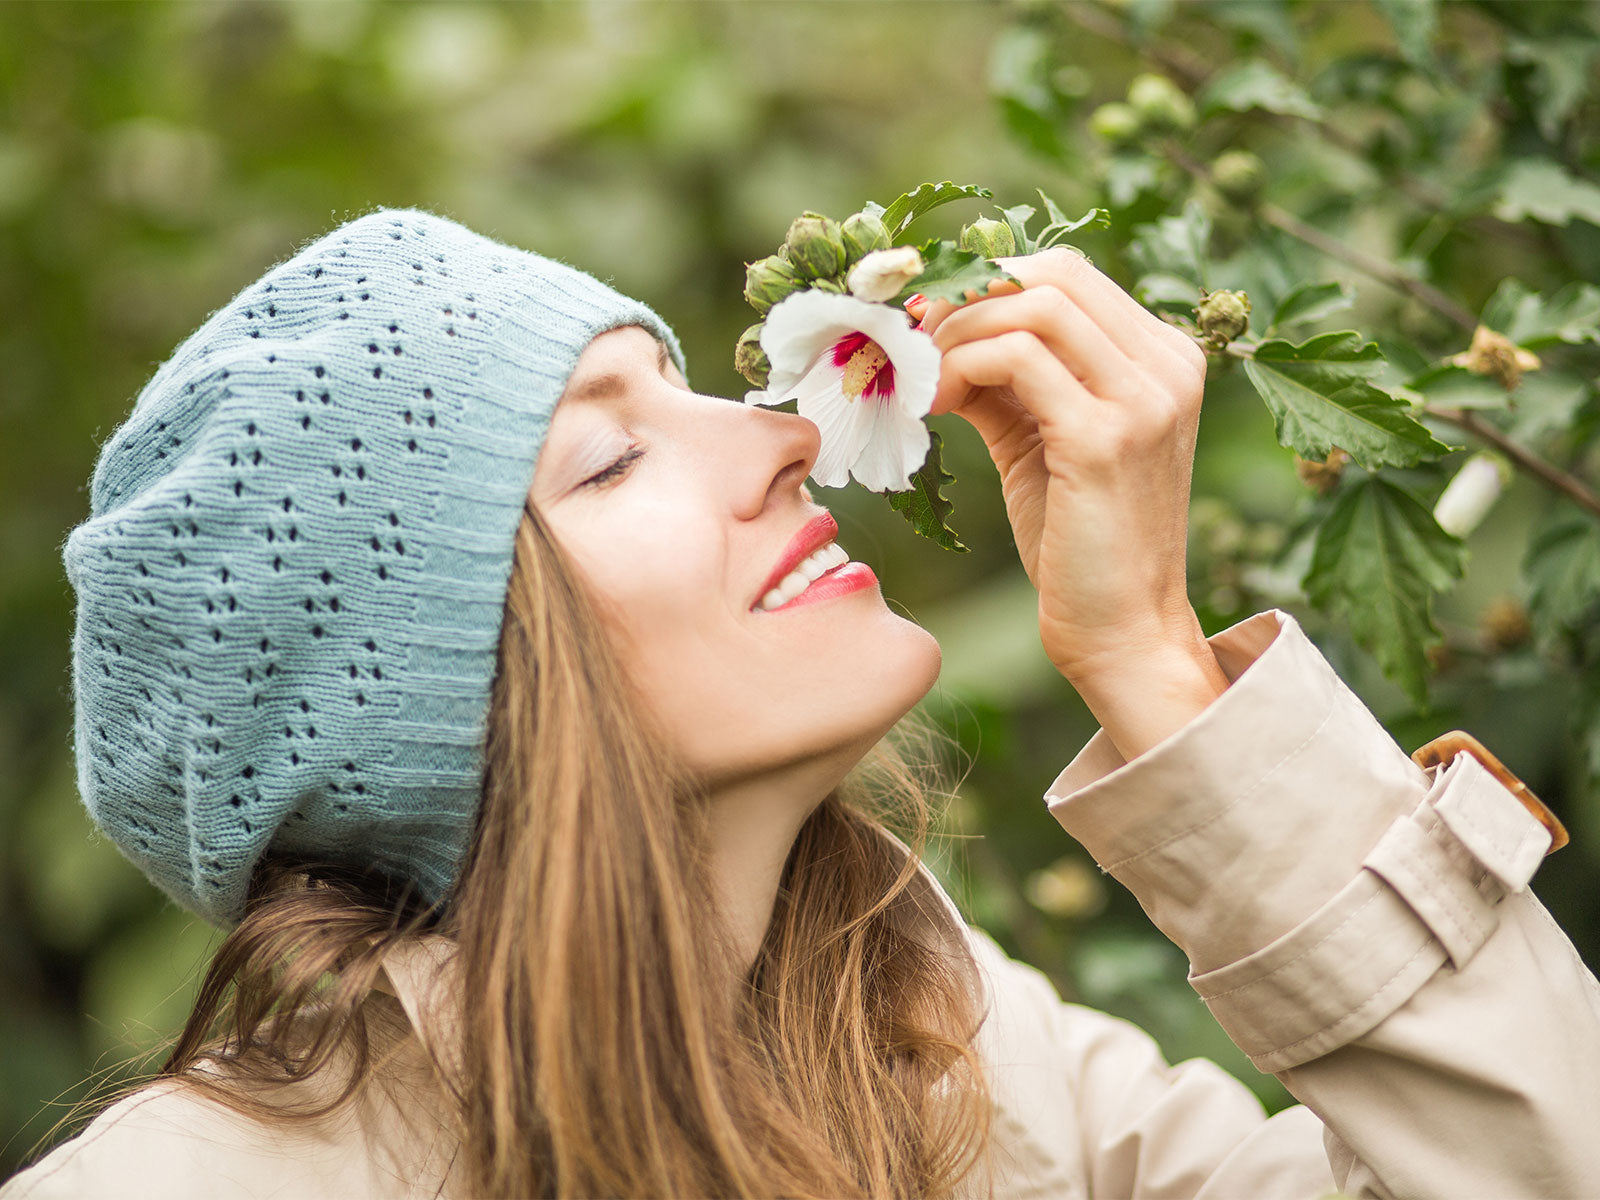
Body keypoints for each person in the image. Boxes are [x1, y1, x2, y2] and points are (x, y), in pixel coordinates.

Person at [3, 207, 1597, 1200]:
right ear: (448, 699)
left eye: (695, 385)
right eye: (612, 453)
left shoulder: (963, 1071)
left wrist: (1160, 671)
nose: (780, 436)